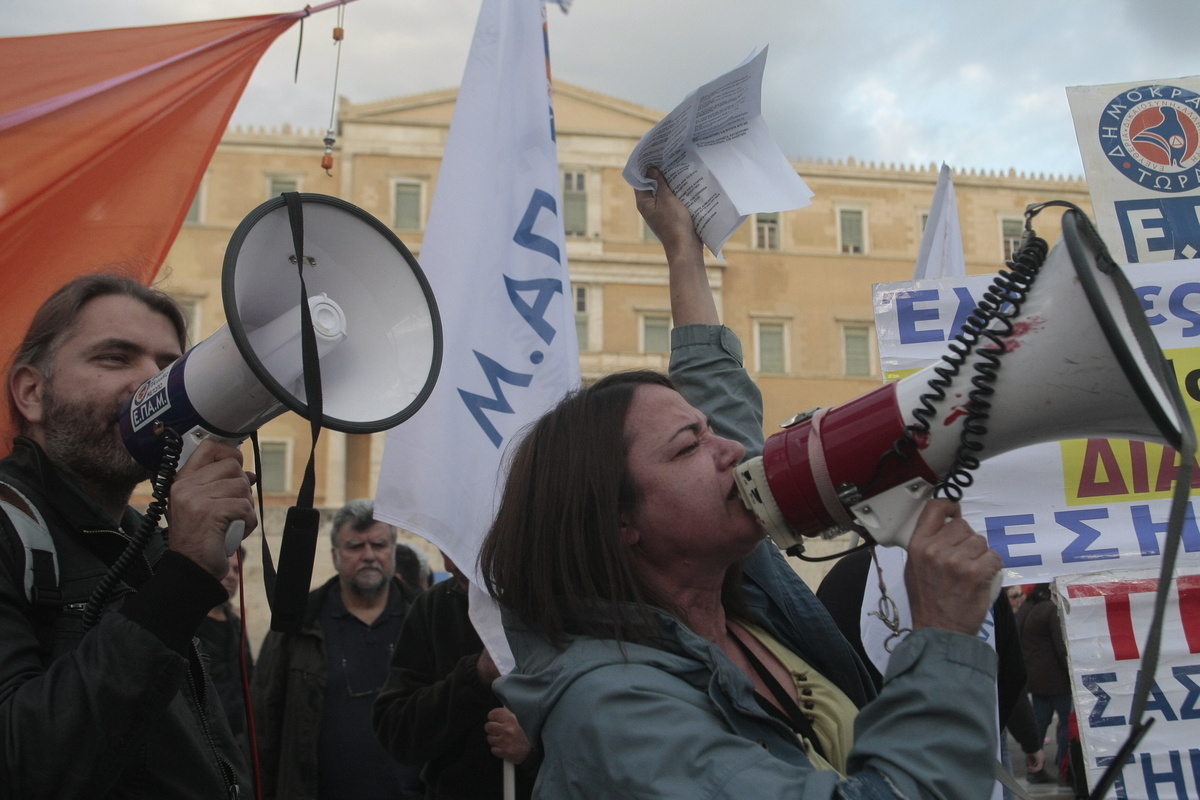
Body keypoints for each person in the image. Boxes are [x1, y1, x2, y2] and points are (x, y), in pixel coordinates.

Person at [478, 170, 1004, 798]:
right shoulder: (616, 712)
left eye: (707, 430)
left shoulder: (736, 590)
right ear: (620, 523)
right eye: (688, 446)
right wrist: (942, 640)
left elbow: (715, 395)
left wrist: (683, 250)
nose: (730, 450)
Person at [0, 273, 257, 797]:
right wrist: (180, 582)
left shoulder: (144, 538)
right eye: (115, 358)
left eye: (168, 367)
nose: (151, 385)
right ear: (32, 392)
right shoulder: (11, 529)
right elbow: (20, 762)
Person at [252, 498, 423, 800]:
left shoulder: (425, 621)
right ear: (335, 555)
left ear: (393, 552)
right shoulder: (297, 626)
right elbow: (263, 728)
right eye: (355, 546)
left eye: (379, 545)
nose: (369, 555)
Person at [374, 552, 538, 799]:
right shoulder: (432, 608)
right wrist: (474, 676)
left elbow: (602, 747)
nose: (448, 564)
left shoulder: (559, 607)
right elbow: (397, 732)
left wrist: (533, 754)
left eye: (461, 549)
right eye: (442, 548)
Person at [197, 548, 254, 757]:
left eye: (237, 570)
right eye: (225, 568)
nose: (231, 575)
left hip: (238, 744)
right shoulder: (190, 624)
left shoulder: (236, 624)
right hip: (204, 748)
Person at [1016, 583, 1072, 784]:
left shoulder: (1026, 607)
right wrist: (1071, 672)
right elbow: (1061, 646)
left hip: (1035, 678)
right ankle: (1066, 768)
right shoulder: (1049, 609)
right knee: (1067, 723)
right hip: (1057, 680)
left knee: (1039, 723)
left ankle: (1034, 768)